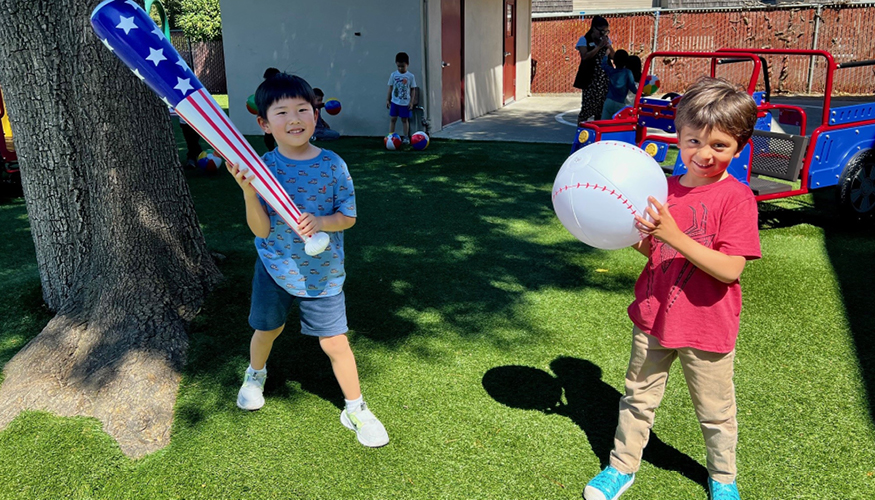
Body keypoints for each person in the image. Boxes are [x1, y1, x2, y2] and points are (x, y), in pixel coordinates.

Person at [583, 77, 761, 500]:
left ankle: (723, 479)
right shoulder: (663, 190)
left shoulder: (737, 199)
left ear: (739, 146)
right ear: (678, 137)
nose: (704, 153)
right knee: (637, 399)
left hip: (707, 325)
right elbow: (658, 254)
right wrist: (641, 237)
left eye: (720, 145)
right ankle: (620, 468)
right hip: (652, 317)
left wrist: (675, 235)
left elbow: (730, 270)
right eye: (694, 140)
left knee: (715, 413)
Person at [228, 70, 389, 448]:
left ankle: (355, 407)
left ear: (316, 114)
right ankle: (255, 374)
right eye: (282, 113)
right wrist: (249, 194)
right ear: (264, 124)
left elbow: (348, 217)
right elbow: (262, 231)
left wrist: (322, 221)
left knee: (335, 342)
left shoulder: (333, 164)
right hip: (275, 266)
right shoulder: (262, 167)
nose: (295, 119)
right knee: (267, 330)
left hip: (323, 272)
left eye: (303, 109)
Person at [573, 16, 614, 123]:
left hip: (604, 79)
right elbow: (585, 56)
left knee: (602, 108)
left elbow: (613, 57)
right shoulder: (584, 40)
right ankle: (581, 130)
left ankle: (598, 131)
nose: (603, 34)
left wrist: (608, 46)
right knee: (587, 107)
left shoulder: (606, 40)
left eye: (606, 32)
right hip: (590, 79)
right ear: (594, 29)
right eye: (601, 32)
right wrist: (599, 47)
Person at [386, 51, 417, 144]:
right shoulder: (393, 75)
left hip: (405, 103)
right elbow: (390, 87)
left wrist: (411, 102)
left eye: (402, 66)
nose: (400, 68)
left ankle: (406, 137)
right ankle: (391, 136)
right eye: (398, 66)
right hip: (395, 102)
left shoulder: (410, 76)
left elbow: (413, 89)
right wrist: (388, 99)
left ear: (407, 64)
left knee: (404, 120)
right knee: (393, 119)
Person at [599, 50, 638, 120]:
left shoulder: (611, 71)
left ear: (614, 61)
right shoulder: (627, 72)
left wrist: (606, 55)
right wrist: (641, 93)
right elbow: (632, 88)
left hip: (609, 101)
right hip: (620, 103)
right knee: (618, 126)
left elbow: (603, 65)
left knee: (604, 124)